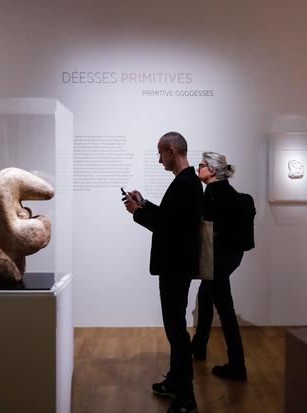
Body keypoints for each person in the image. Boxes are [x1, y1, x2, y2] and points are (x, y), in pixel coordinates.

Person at [123, 131, 202, 413]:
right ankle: (174, 382)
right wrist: (144, 204)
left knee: (176, 331)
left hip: (175, 268)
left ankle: (186, 396)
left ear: (171, 150)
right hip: (177, 266)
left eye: (160, 153)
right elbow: (172, 219)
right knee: (175, 328)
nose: (158, 160)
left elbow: (168, 228)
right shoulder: (187, 182)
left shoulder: (185, 184)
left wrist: (137, 213)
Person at [191, 151, 247, 381]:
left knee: (225, 311)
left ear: (212, 170)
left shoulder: (211, 194)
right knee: (205, 297)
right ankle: (199, 346)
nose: (198, 168)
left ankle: (237, 365)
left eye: (201, 165)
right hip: (232, 257)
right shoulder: (230, 193)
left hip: (217, 260)